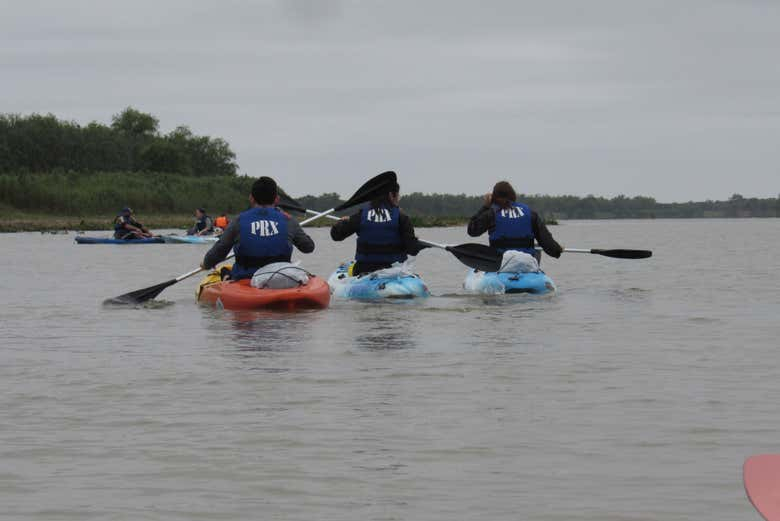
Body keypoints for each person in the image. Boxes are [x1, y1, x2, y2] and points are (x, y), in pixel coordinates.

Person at [201, 177, 315, 280]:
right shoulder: (289, 221)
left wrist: (206, 264)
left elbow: (219, 252)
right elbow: (308, 247)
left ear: (251, 198)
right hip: (280, 277)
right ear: (277, 199)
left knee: (224, 271)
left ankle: (226, 276)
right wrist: (296, 228)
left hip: (246, 278)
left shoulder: (238, 221)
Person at [330, 180, 423, 275]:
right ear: (391, 195)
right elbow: (413, 250)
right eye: (398, 195)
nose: (398, 198)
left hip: (364, 270)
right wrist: (416, 242)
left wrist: (341, 223)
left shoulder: (360, 215)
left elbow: (336, 236)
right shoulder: (402, 217)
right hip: (394, 272)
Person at [467, 181, 562, 263]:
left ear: (494, 198)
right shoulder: (530, 213)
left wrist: (485, 206)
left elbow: (472, 230)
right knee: (536, 248)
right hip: (527, 264)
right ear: (513, 195)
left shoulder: (491, 213)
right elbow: (547, 241)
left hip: (499, 264)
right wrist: (557, 251)